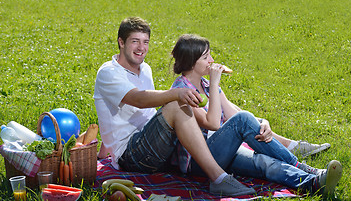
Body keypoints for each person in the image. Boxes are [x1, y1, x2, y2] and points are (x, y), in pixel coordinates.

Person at [94, 17, 258, 196]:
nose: (141, 48)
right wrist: (177, 93)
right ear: (121, 42)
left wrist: (104, 150)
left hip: (154, 145)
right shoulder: (108, 72)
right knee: (175, 105)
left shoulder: (145, 69)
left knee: (250, 159)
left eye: (145, 42)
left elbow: (123, 115)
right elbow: (139, 99)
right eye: (135, 41)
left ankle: (289, 168)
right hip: (132, 155)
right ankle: (218, 179)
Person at [170, 34, 343, 198]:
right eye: (206, 57)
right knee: (244, 120)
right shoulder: (181, 91)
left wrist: (262, 123)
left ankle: (313, 183)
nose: (212, 61)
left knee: (263, 162)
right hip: (200, 163)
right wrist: (216, 83)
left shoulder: (206, 84)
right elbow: (213, 123)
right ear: (192, 62)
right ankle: (304, 167)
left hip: (223, 149)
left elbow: (233, 115)